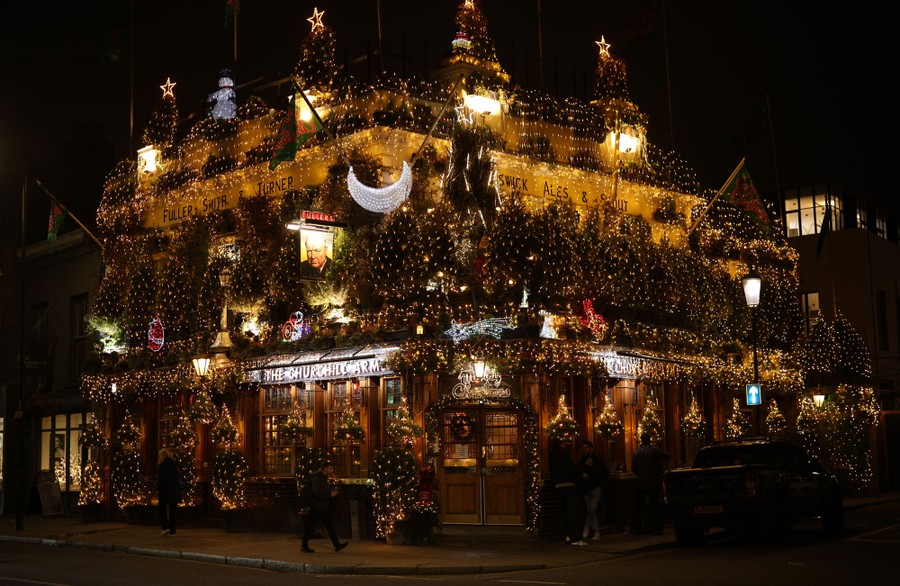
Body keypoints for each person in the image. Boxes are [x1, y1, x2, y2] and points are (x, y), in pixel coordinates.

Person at [301, 461, 348, 553]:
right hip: (317, 507)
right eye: (330, 468)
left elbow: (322, 490)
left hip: (323, 506)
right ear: (325, 468)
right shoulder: (317, 477)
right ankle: (304, 545)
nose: (332, 470)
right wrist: (330, 494)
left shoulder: (323, 477)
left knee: (329, 526)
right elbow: (317, 491)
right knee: (311, 527)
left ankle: (337, 545)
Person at [549, 437, 588, 546]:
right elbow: (571, 468)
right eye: (564, 443)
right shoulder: (563, 454)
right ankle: (575, 538)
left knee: (565, 512)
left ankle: (568, 536)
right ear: (561, 444)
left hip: (558, 486)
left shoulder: (551, 454)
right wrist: (580, 475)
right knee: (572, 512)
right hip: (568, 485)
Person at [631, 433, 671, 535]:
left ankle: (635, 526)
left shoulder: (637, 453)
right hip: (653, 482)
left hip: (640, 483)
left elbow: (633, 468)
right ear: (649, 440)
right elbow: (668, 456)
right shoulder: (654, 451)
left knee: (638, 506)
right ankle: (654, 526)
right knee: (654, 505)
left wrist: (640, 475)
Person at [577, 440, 609, 541]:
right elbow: (577, 471)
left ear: (591, 448)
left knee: (592, 509)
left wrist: (601, 486)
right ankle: (596, 532)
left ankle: (586, 527)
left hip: (596, 489)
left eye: (586, 448)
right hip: (586, 489)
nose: (584, 450)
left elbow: (603, 474)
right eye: (583, 448)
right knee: (590, 510)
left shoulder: (599, 461)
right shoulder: (582, 461)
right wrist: (584, 469)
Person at [157, 448, 182, 537]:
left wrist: (159, 489)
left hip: (164, 491)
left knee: (162, 509)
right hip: (174, 490)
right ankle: (173, 531)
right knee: (173, 511)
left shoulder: (162, 466)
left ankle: (165, 527)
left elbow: (161, 479)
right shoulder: (174, 464)